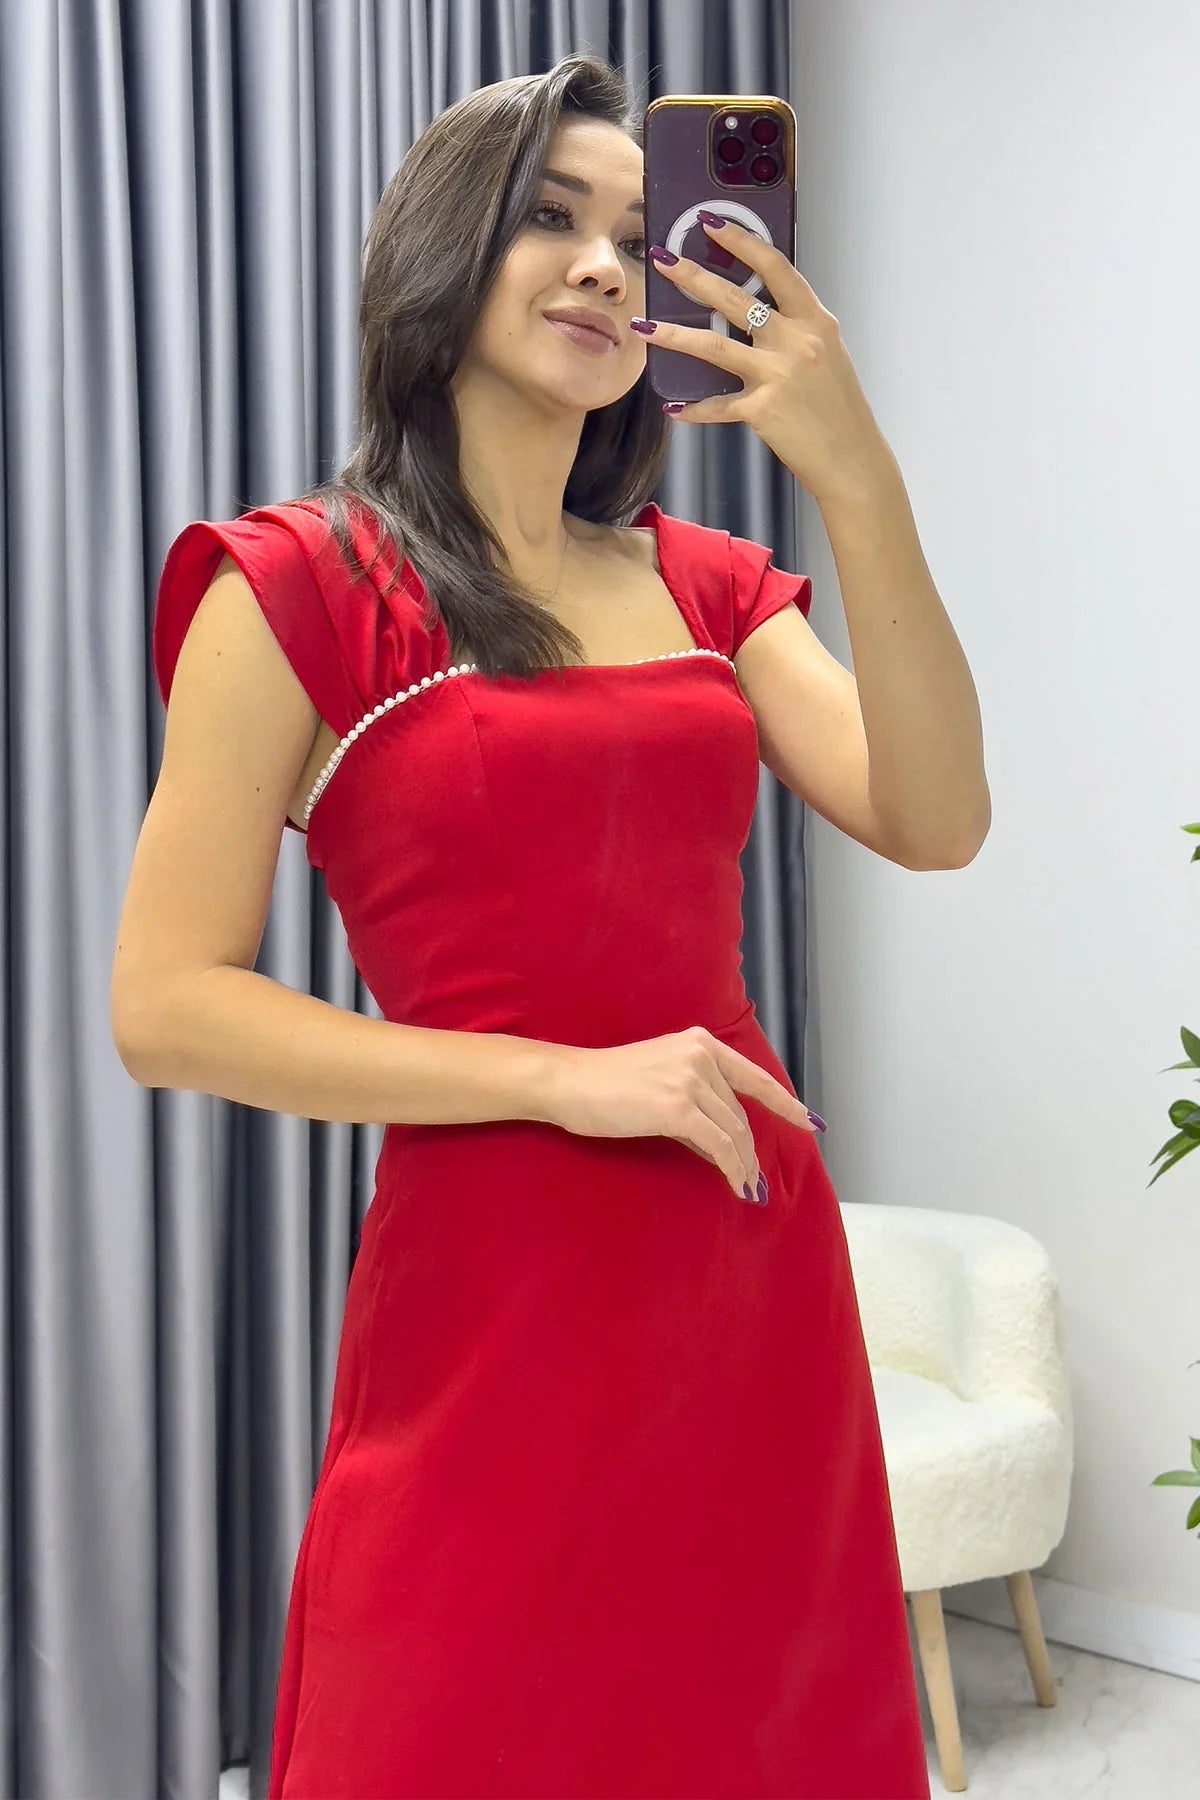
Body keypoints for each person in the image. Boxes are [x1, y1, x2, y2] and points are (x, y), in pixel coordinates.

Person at [111, 53, 934, 1800]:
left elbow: (937, 818)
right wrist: (566, 1079)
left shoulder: (708, 585)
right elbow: (167, 1006)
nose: (607, 267)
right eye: (552, 218)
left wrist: (856, 480)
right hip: (494, 1289)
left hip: (746, 1263)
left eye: (641, 232)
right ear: (445, 249)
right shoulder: (300, 583)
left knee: (759, 1734)